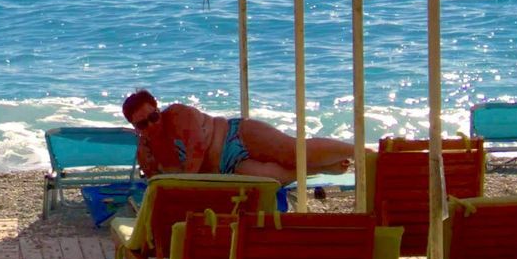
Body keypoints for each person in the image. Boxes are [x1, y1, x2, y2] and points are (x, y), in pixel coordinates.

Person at [121, 87, 353, 182]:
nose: (151, 126)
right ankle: (322, 167)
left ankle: (359, 150)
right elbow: (157, 184)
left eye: (153, 117)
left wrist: (186, 185)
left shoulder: (177, 115)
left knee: (291, 152)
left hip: (235, 136)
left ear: (158, 110)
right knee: (273, 178)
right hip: (228, 168)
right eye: (143, 124)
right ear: (135, 128)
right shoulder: (147, 152)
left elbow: (198, 146)